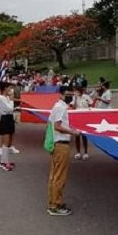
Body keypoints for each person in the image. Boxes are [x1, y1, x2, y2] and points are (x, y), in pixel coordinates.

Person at [47, 85, 83, 216]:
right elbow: (57, 126)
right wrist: (73, 132)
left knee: (54, 175)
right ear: (61, 94)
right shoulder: (61, 107)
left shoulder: (58, 107)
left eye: (71, 94)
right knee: (60, 176)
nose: (70, 97)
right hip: (61, 144)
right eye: (68, 94)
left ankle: (53, 202)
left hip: (57, 144)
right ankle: (55, 205)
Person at [0, 83, 19, 171]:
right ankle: (3, 162)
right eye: (9, 88)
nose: (11, 89)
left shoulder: (6, 98)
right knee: (5, 142)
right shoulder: (1, 98)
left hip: (9, 118)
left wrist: (10, 99)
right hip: (5, 119)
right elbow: (9, 109)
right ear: (5, 88)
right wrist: (12, 99)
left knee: (8, 142)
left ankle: (5, 161)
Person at [71, 86, 92, 160]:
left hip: (84, 118)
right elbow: (73, 107)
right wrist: (76, 99)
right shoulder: (74, 97)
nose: (75, 92)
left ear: (79, 91)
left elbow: (91, 105)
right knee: (77, 135)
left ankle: (86, 152)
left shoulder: (86, 97)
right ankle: (78, 152)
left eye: (76, 91)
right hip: (77, 118)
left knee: (84, 136)